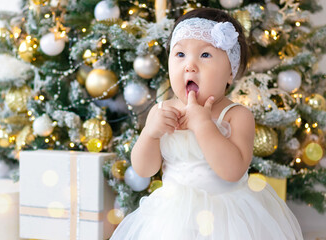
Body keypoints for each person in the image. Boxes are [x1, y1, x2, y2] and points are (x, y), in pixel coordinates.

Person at [110, 8, 303, 240]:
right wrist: (150, 134)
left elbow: (232, 171)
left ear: (230, 73)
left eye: (205, 55)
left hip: (227, 217)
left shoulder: (236, 115)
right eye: (180, 55)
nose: (189, 66)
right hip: (172, 217)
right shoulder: (161, 111)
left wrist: (203, 125)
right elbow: (144, 169)